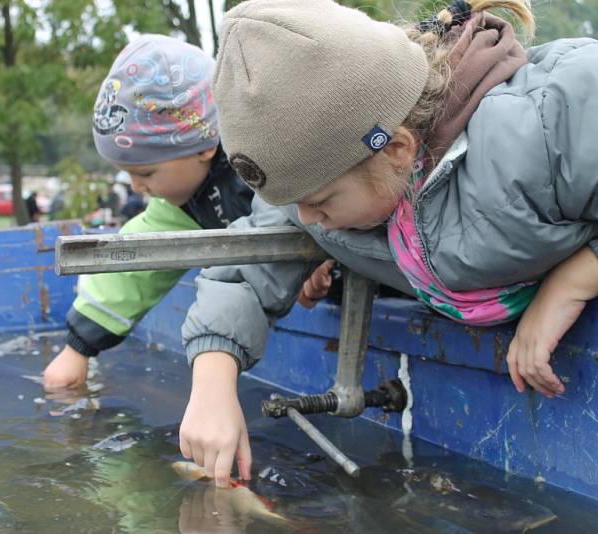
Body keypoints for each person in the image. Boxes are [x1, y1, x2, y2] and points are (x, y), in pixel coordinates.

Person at [178, 0, 598, 487]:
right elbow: (245, 269)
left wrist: (572, 282)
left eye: (319, 201)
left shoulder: (542, 125)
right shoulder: (316, 188)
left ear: (398, 150)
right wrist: (212, 383)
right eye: (294, 204)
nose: (310, 221)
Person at [42, 34, 256, 389]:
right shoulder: (182, 204)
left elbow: (304, 210)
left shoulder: (261, 165)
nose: (137, 187)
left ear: (203, 146)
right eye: (128, 175)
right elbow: (135, 268)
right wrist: (77, 348)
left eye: (145, 173)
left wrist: (312, 259)